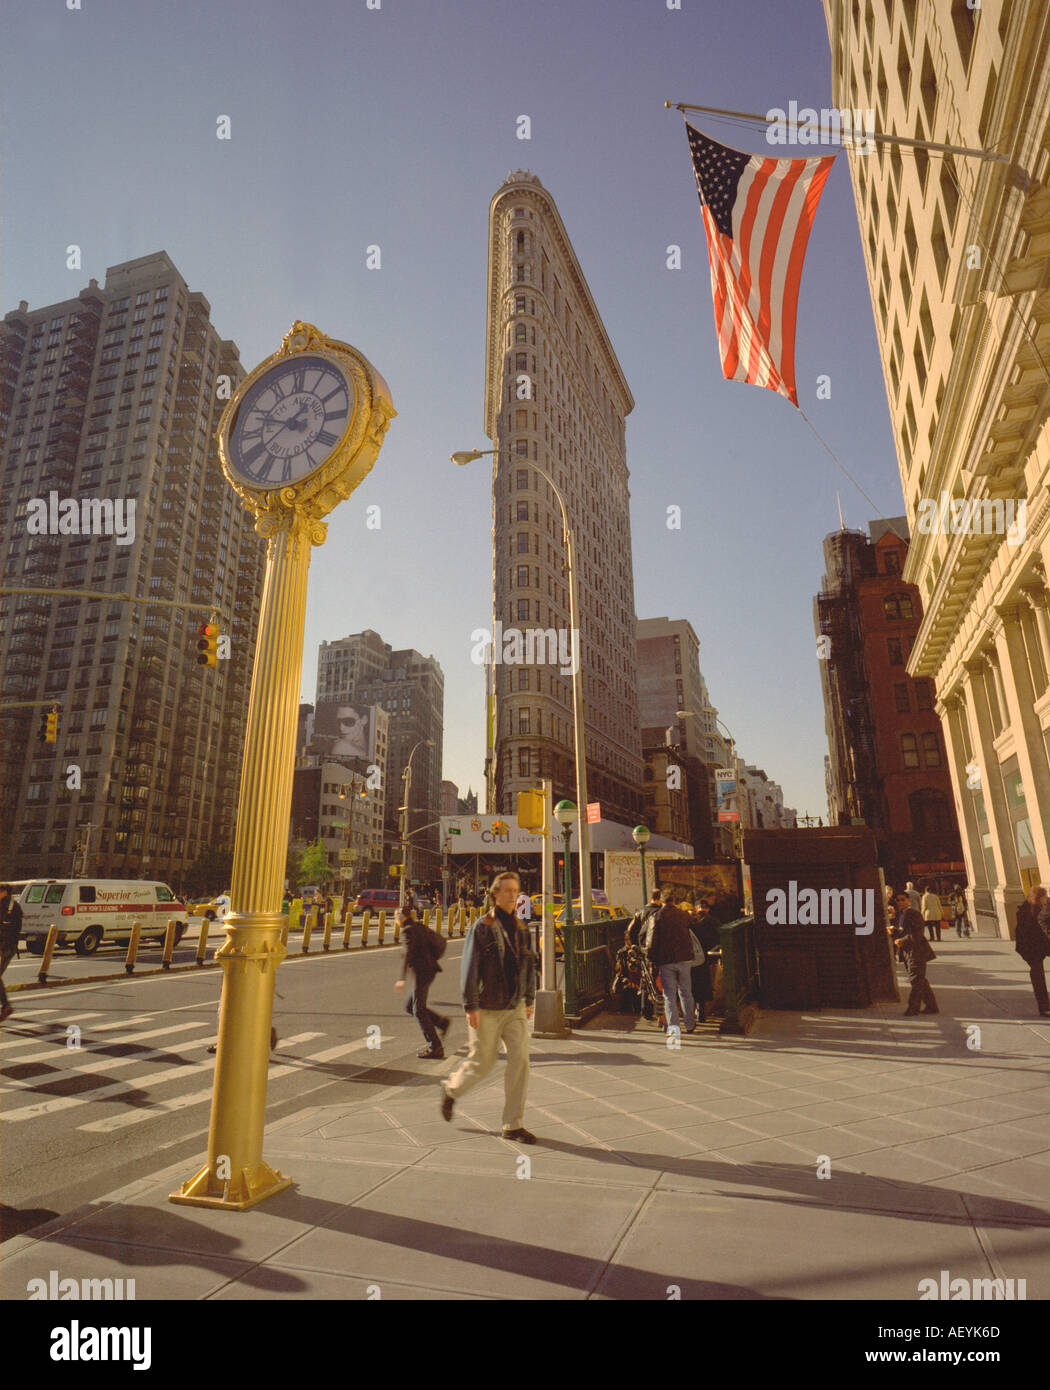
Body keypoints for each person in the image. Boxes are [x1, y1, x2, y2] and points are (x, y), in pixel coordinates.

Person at [441, 871, 536, 1143]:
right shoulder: (482, 927)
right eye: (507, 891)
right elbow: (469, 967)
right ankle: (451, 1090)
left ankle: (513, 1125)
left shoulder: (521, 928)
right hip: (487, 1007)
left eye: (515, 891)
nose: (512, 895)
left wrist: (528, 999)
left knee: (521, 1061)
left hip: (514, 1007)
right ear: (495, 894)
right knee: (482, 1062)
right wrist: (471, 1005)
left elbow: (530, 965)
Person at [395, 903, 451, 1058]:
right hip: (428, 971)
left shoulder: (407, 931)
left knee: (418, 1010)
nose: (395, 920)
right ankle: (441, 1022)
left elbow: (408, 954)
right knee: (410, 1006)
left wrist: (401, 979)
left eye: (395, 917)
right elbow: (441, 941)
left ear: (402, 917)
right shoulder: (419, 927)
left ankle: (435, 1047)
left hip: (423, 973)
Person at [646, 887, 697, 1034]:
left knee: (669, 995)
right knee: (686, 992)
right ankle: (689, 1024)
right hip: (685, 958)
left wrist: (652, 958)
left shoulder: (656, 916)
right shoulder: (683, 915)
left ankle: (674, 1027)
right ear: (674, 900)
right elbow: (694, 924)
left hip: (666, 960)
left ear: (661, 900)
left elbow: (651, 941)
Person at [892, 891, 939, 1016]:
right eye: (898, 900)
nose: (900, 902)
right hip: (907, 951)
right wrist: (894, 931)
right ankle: (931, 1006)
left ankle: (913, 1008)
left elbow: (918, 934)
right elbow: (902, 930)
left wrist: (902, 940)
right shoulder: (899, 915)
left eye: (903, 899)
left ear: (909, 901)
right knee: (919, 980)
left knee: (915, 979)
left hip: (917, 951)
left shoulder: (915, 914)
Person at [1018, 886, 1050, 1016]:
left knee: (1037, 974)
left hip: (1033, 947)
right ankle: (1044, 1007)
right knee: (1038, 976)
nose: (1046, 899)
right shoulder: (1032, 911)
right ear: (1039, 897)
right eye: (1044, 897)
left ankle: (1044, 1006)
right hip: (1032, 948)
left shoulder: (1031, 908)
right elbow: (1032, 932)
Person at [0, 883, 23, 1023]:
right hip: (9, 945)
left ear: (4, 892)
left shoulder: (7, 906)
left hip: (5, 946)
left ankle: (6, 1006)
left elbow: (8, 927)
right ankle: (6, 1006)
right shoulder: (12, 905)